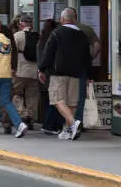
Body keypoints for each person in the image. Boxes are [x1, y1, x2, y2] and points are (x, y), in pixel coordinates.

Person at [38, 8, 91, 141]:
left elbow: (48, 52)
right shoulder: (82, 35)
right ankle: (67, 130)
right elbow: (87, 56)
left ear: (62, 20)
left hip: (58, 72)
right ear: (75, 19)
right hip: (76, 73)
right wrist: (88, 74)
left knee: (57, 99)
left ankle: (72, 123)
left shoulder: (56, 33)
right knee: (72, 101)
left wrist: (42, 69)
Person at [37, 19, 64, 135]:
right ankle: (49, 124)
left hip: (43, 72)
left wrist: (40, 70)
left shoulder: (40, 41)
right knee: (56, 99)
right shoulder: (54, 39)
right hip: (52, 72)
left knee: (51, 98)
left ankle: (52, 123)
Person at [13, 14, 39, 128]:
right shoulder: (38, 36)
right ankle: (31, 119)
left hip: (20, 70)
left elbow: (12, 53)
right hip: (34, 71)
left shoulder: (17, 36)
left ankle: (23, 114)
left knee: (15, 93)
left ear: (21, 23)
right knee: (32, 96)